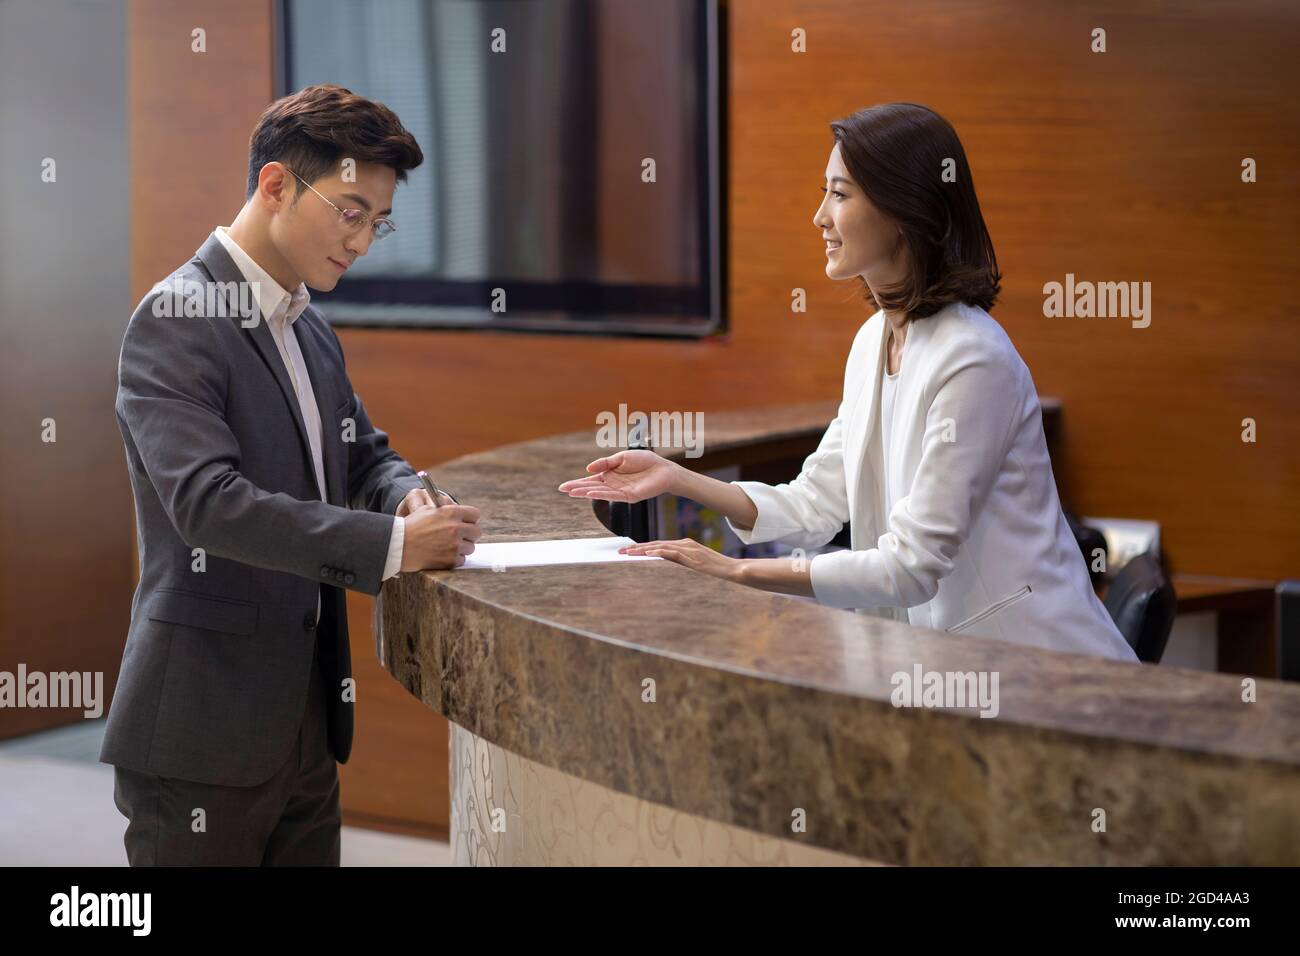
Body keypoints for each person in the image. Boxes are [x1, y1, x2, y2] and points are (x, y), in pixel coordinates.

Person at [559, 103, 1136, 663]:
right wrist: (679, 478)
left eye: (840, 193)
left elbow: (912, 565)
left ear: (904, 210)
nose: (820, 217)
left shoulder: (973, 358)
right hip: (951, 669)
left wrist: (740, 572)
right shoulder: (872, 341)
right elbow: (815, 502)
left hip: (1044, 673)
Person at [102, 84, 482, 865]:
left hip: (305, 720)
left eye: (378, 223)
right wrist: (396, 547)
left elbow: (361, 453)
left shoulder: (306, 323)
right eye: (350, 211)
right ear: (276, 185)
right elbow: (209, 505)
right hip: (203, 729)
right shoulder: (177, 318)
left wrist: (404, 492)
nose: (364, 242)